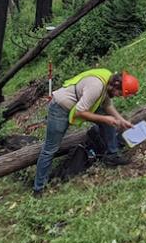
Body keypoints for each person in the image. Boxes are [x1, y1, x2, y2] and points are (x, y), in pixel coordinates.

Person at [33, 68, 139, 196]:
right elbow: (80, 112)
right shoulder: (96, 86)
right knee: (50, 148)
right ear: (116, 85)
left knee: (110, 120)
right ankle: (38, 188)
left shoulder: (107, 80)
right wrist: (105, 118)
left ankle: (112, 156)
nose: (119, 96)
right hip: (60, 108)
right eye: (120, 93)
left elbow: (107, 105)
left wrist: (121, 120)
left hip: (79, 104)